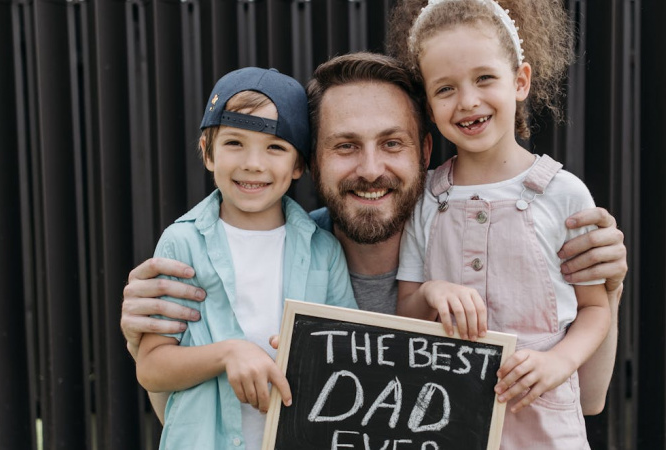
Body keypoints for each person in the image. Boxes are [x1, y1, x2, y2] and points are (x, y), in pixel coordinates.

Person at [120, 52, 627, 424]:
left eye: (391, 143)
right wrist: (143, 342)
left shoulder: (479, 245)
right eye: (345, 146)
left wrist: (605, 293)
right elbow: (182, 417)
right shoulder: (279, 251)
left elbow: (588, 400)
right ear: (310, 161)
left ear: (425, 150)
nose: (370, 169)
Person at [389, 0, 606, 448]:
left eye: (484, 78)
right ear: (428, 104)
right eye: (445, 88)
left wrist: (559, 362)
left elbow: (595, 309)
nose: (468, 101)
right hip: (447, 418)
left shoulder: (563, 194)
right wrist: (432, 291)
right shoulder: (425, 199)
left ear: (520, 81)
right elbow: (406, 309)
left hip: (543, 421)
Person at [133, 67, 357, 450]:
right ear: (207, 153)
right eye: (235, 143)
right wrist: (228, 353)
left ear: (299, 164)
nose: (253, 163)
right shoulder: (182, 243)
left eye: (275, 147)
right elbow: (152, 367)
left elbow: (350, 356)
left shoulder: (323, 251)